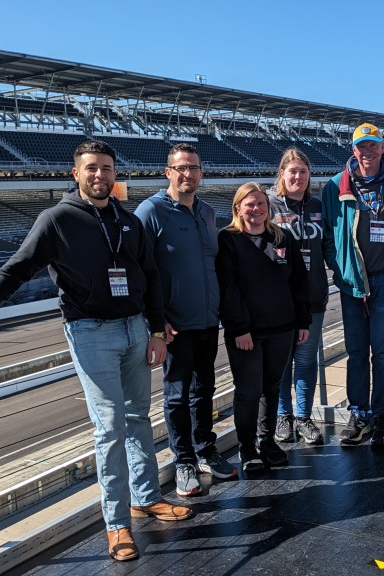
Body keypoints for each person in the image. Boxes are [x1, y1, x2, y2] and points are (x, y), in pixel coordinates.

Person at [0, 140, 192, 562]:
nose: (100, 175)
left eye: (107, 168)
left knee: (138, 418)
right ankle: (117, 525)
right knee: (111, 426)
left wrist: (155, 330)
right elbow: (16, 269)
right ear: (76, 173)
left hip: (136, 328)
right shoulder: (56, 219)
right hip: (91, 332)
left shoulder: (127, 220)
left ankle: (146, 497)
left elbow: (149, 276)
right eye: (92, 168)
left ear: (116, 174)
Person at [135, 143, 236, 499]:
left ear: (201, 173)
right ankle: (183, 461)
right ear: (168, 172)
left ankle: (206, 449)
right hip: (174, 326)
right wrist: (157, 323)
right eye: (180, 168)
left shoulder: (207, 212)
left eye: (193, 167)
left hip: (208, 322)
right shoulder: (150, 211)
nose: (187, 174)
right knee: (176, 396)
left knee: (203, 391)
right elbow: (142, 270)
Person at [322, 122, 384, 447]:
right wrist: (341, 265)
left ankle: (381, 415)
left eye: (373, 145)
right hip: (351, 282)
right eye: (362, 146)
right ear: (353, 150)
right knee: (356, 352)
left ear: (383, 147)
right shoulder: (336, 185)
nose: (368, 152)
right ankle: (358, 414)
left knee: (383, 352)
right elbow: (329, 236)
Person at [216, 182, 311, 473]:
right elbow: (228, 289)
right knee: (248, 390)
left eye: (260, 204)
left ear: (267, 208)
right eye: (249, 204)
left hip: (282, 328)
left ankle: (267, 440)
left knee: (271, 388)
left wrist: (302, 321)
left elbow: (298, 283)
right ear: (238, 208)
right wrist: (239, 327)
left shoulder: (281, 238)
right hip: (247, 333)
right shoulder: (229, 240)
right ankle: (247, 447)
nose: (256, 209)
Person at [269, 147, 328, 446]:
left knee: (306, 362)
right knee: (282, 363)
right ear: (282, 173)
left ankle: (303, 417)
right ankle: (283, 415)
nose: (298, 176)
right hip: (280, 301)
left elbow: (329, 246)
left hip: (314, 297)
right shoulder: (269, 206)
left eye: (303, 171)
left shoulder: (317, 205)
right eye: (292, 171)